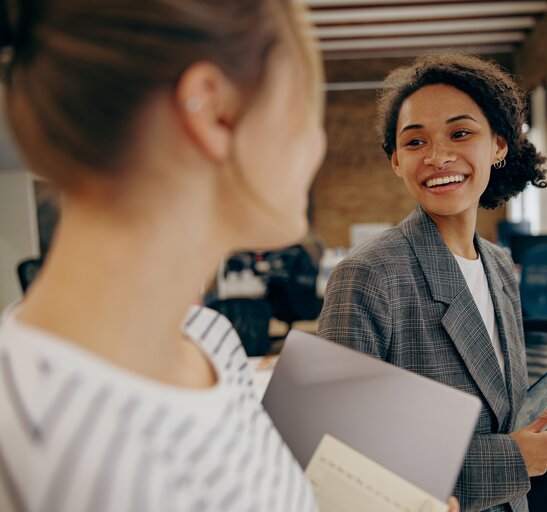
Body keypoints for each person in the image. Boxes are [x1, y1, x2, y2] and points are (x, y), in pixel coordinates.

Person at [0, 0, 326, 510]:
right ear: (214, 111)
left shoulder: (210, 343)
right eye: (307, 104)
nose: (318, 142)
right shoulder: (33, 448)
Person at [317, 54, 547, 512]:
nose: (438, 157)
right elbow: (340, 456)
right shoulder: (368, 275)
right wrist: (511, 459)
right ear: (397, 161)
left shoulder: (498, 266)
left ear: (498, 145)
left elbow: (508, 417)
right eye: (415, 142)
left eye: (460, 133)